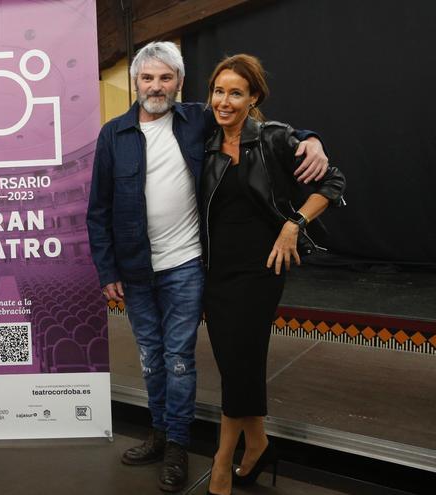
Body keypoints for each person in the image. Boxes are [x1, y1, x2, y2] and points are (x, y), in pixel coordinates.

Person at [86, 41, 328, 492]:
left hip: (187, 264)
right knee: (151, 360)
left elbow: (259, 122)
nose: (156, 86)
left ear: (179, 83)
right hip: (136, 269)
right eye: (147, 78)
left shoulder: (196, 117)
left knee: (178, 360)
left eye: (166, 78)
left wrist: (312, 138)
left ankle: (178, 444)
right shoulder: (112, 135)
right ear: (136, 82)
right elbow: (97, 211)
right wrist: (107, 271)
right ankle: (159, 436)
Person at [201, 54, 345, 495]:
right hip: (215, 271)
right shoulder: (204, 141)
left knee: (240, 360)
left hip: (262, 269)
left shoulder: (274, 138)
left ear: (254, 98)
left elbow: (333, 183)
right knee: (234, 362)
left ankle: (222, 462)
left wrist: (294, 223)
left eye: (236, 93)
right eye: (218, 91)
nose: (225, 101)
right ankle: (259, 442)